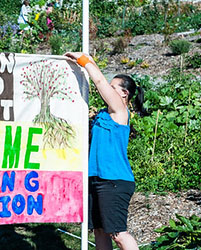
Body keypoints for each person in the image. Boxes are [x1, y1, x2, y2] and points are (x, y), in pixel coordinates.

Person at [65, 52, 147, 250]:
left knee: (118, 234)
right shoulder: (103, 114)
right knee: (100, 231)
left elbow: (99, 80)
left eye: (113, 88)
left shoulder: (119, 110)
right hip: (96, 178)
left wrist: (83, 60)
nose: (107, 90)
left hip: (114, 181)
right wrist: (88, 59)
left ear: (124, 94)